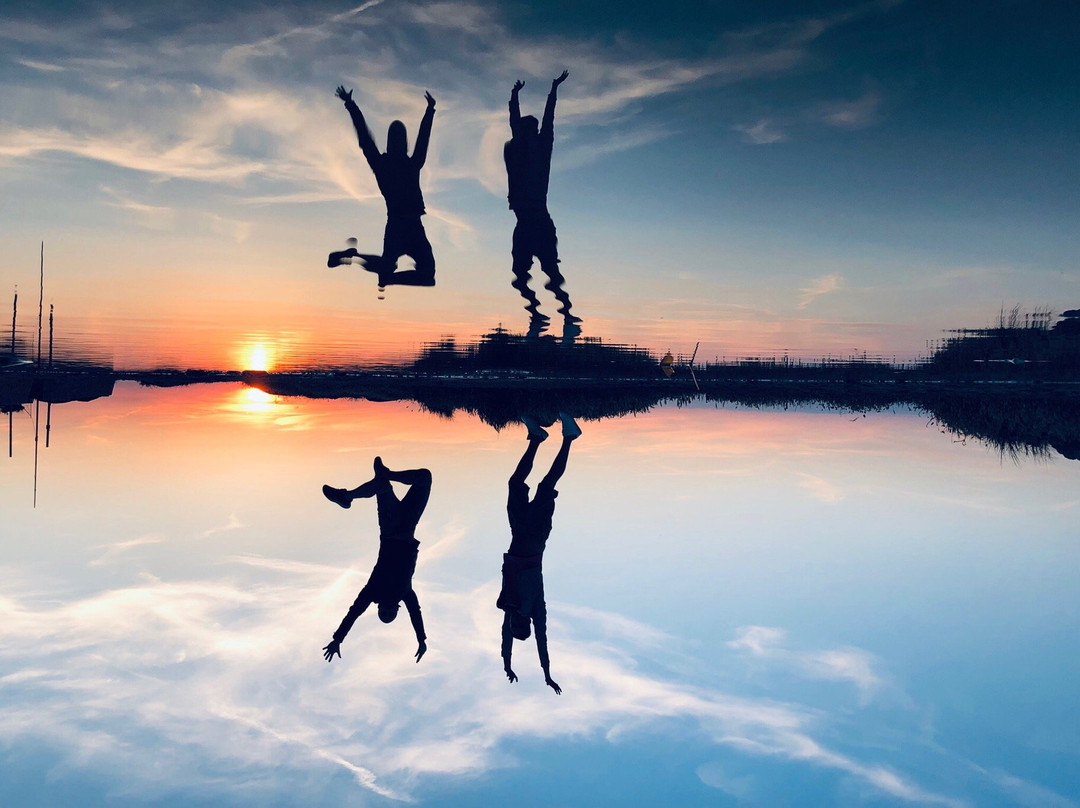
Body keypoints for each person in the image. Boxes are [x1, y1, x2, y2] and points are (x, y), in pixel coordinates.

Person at [498, 412, 581, 694]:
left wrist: (507, 664)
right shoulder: (536, 610)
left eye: (511, 624)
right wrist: (546, 672)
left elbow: (505, 639)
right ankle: (570, 438)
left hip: (517, 532)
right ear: (524, 622)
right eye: (516, 623)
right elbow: (541, 641)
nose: (511, 622)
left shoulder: (508, 607)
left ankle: (536, 439)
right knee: (547, 486)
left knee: (514, 484)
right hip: (535, 538)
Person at [322, 457, 432, 663]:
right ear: (397, 607)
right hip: (408, 525)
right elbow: (415, 614)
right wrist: (421, 639)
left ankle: (346, 497)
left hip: (391, 529)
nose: (390, 607)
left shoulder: (374, 591)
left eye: (386, 610)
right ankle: (384, 474)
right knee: (424, 478)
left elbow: (353, 613)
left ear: (380, 607)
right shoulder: (405, 593)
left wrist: (338, 639)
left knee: (382, 486)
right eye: (393, 610)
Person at [328, 86, 437, 288]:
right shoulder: (410, 164)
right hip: (408, 225)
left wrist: (351, 105)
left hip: (400, 225)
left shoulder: (384, 165)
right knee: (427, 275)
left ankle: (359, 260)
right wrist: (430, 111)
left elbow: (365, 138)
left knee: (394, 267)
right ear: (403, 141)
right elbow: (422, 140)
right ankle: (374, 269)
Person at [504, 71, 579, 328]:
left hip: (537, 222)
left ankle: (567, 316)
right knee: (522, 275)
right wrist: (515, 95)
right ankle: (539, 314)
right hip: (526, 223)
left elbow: (548, 119)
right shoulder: (523, 148)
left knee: (549, 273)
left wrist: (553, 90)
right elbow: (517, 120)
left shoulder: (539, 148)